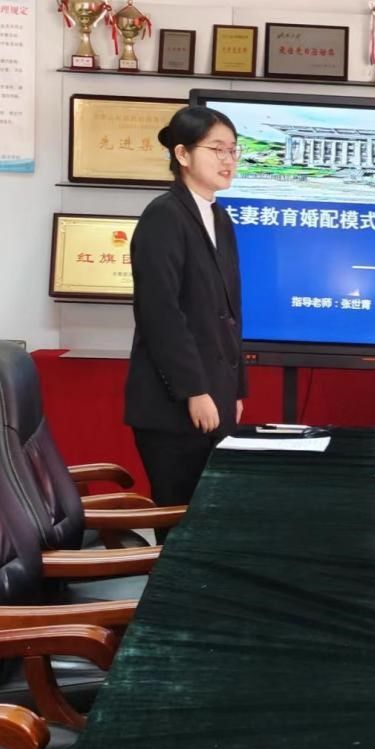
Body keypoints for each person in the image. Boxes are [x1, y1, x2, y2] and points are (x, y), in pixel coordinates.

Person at [124, 106, 246, 511]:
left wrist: (236, 389)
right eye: (217, 149)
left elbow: (229, 312)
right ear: (182, 154)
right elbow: (160, 313)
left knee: (213, 515)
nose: (228, 160)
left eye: (233, 150)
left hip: (216, 395)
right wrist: (194, 390)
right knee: (182, 519)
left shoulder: (219, 217)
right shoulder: (164, 215)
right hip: (173, 406)